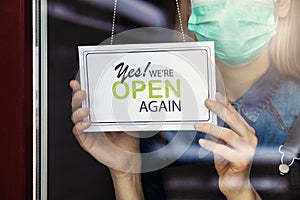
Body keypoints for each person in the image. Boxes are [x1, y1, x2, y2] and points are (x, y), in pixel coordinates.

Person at [70, 0, 300, 199]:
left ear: (283, 5)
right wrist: (125, 173)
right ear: (190, 8)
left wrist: (241, 192)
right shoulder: (156, 114)